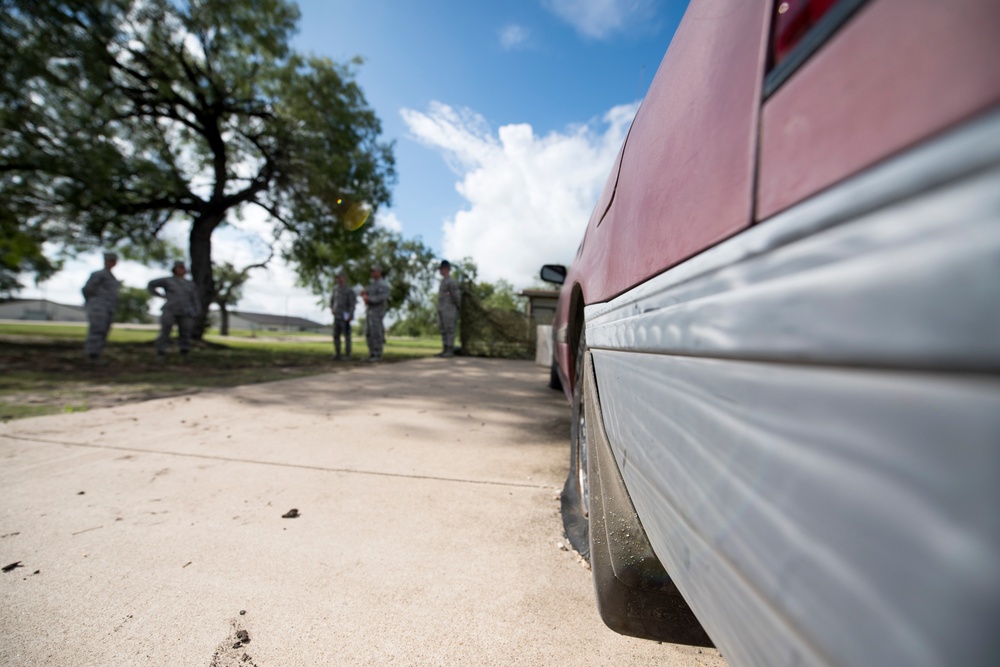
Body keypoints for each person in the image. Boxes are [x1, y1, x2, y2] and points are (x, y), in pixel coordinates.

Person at [148, 260, 201, 361]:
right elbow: (151, 284)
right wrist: (160, 295)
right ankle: (161, 352)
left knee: (185, 332)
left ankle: (184, 353)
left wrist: (197, 310)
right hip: (170, 309)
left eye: (183, 268)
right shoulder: (168, 281)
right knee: (166, 331)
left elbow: (195, 298)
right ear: (174, 269)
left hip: (186, 311)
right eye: (179, 267)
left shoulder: (189, 284)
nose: (181, 269)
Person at [82, 252, 120, 364]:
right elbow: (87, 289)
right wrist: (94, 302)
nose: (113, 262)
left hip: (108, 308)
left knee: (103, 331)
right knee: (97, 331)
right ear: (106, 261)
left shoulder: (111, 276)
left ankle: (96, 354)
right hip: (99, 307)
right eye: (111, 260)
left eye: (114, 260)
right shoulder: (99, 274)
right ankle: (92, 356)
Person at [361, 265, 389, 362]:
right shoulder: (372, 284)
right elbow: (367, 293)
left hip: (377, 312)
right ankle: (372, 353)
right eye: (371, 271)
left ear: (379, 272)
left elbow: (382, 297)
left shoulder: (383, 285)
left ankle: (377, 354)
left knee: (376, 333)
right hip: (370, 311)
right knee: (368, 333)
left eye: (374, 271)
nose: (372, 273)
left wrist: (368, 298)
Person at [436, 259, 461, 358]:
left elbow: (456, 296)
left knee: (449, 329)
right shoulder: (443, 282)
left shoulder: (451, 282)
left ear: (446, 269)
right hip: (442, 309)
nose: (440, 271)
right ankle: (445, 348)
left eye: (441, 269)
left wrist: (457, 306)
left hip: (450, 309)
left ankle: (450, 349)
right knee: (443, 329)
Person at [330, 271, 356, 360]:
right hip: (337, 316)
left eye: (340, 277)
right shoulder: (335, 289)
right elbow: (332, 301)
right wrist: (332, 308)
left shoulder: (349, 290)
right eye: (337, 278)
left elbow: (352, 304)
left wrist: (351, 315)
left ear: (344, 278)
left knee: (347, 336)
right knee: (336, 335)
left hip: (345, 317)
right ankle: (337, 353)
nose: (339, 279)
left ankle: (348, 355)